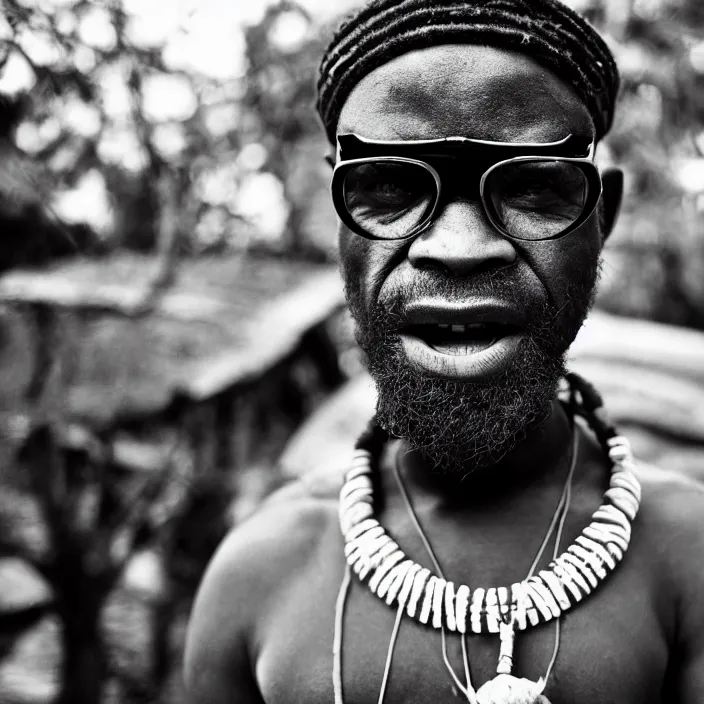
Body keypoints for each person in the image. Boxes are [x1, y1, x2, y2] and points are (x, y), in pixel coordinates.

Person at [183, 1, 704, 702]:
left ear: (600, 219)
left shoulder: (689, 561)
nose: (459, 249)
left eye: (532, 187)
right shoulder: (258, 576)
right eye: (389, 188)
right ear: (338, 218)